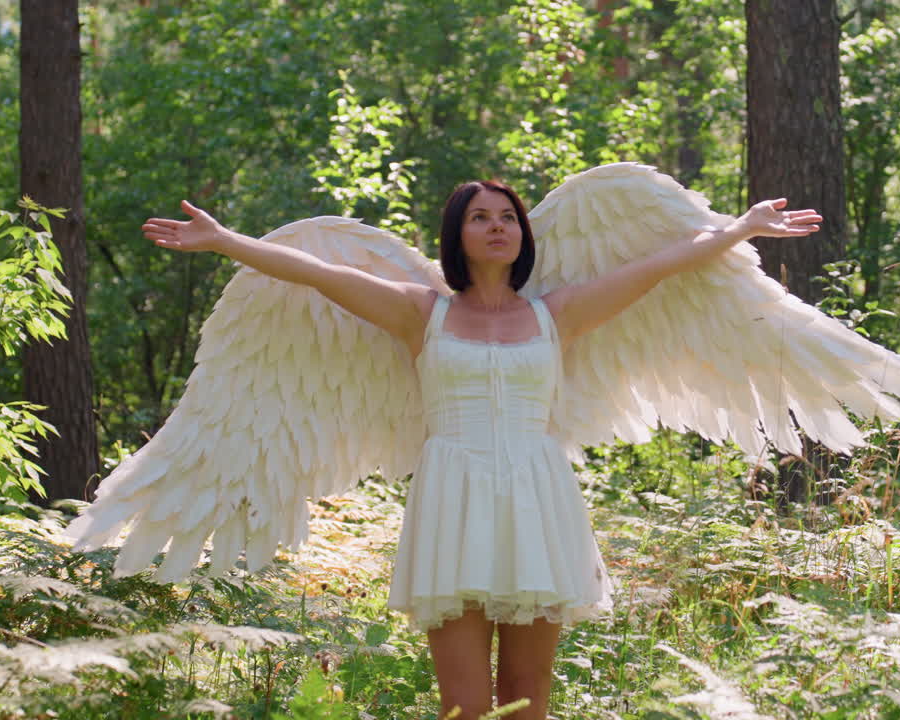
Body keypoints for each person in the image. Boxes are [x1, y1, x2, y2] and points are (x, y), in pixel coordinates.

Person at [141, 181, 821, 720]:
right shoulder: (420, 312)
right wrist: (225, 240)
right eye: (481, 217)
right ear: (457, 236)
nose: (498, 225)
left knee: (529, 704)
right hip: (453, 497)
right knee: (464, 708)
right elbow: (317, 274)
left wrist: (740, 227)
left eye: (508, 217)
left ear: (522, 235)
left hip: (538, 495)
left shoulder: (558, 313)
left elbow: (659, 267)